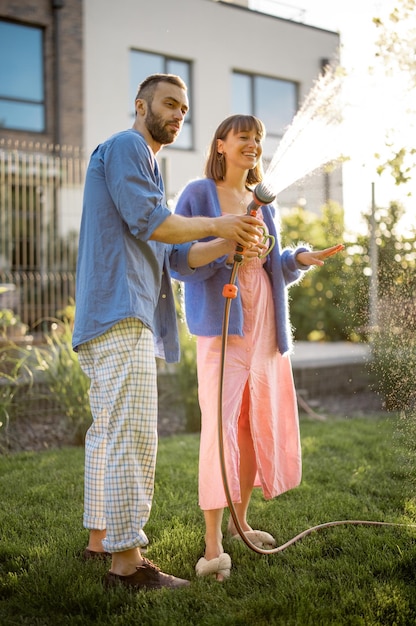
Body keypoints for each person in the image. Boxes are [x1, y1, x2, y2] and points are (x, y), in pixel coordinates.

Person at [72, 77, 264, 592]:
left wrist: (228, 241)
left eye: (184, 107)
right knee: (131, 434)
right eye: (169, 104)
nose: (178, 113)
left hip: (111, 313)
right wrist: (218, 222)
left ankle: (99, 542)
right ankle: (128, 565)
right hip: (120, 309)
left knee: (108, 431)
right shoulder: (127, 146)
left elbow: (177, 256)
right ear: (141, 105)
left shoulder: (149, 167)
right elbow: (151, 221)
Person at [171, 114, 344, 581]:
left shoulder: (263, 200)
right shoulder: (198, 194)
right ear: (222, 144)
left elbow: (272, 267)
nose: (253, 144)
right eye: (244, 136)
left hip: (264, 323)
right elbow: (177, 262)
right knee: (219, 429)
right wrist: (226, 249)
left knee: (250, 427)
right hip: (223, 327)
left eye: (259, 138)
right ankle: (211, 549)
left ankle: (241, 524)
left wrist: (299, 259)